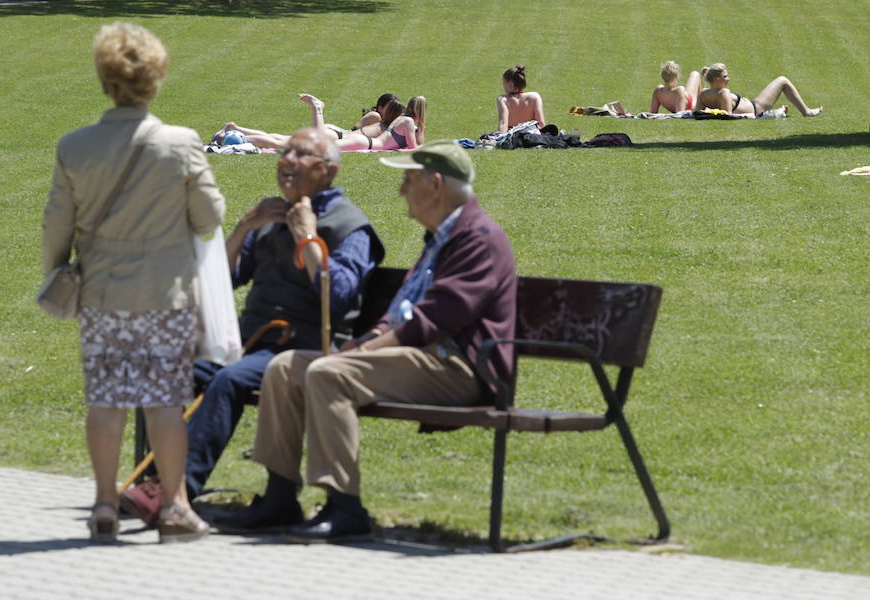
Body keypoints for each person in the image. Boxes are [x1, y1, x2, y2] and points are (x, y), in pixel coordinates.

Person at [214, 140, 517, 541]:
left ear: (436, 185)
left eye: (409, 181)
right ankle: (279, 497)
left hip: (462, 368)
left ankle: (345, 506)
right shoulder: (443, 236)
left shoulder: (478, 238)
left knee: (329, 373)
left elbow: (430, 322)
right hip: (422, 357)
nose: (401, 191)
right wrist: (368, 340)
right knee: (285, 368)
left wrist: (363, 349)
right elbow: (403, 311)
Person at [119, 127, 386, 528]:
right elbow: (222, 280)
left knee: (229, 380)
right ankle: (155, 484)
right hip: (248, 343)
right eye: (285, 152)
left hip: (304, 347)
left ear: (329, 171)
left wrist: (308, 237)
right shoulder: (271, 216)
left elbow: (340, 295)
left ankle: (172, 492)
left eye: (301, 154)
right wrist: (245, 226)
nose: (287, 161)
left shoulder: (350, 225)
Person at [42, 22, 226, 544]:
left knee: (106, 400)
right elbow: (209, 217)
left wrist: (56, 275)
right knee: (164, 402)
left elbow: (56, 225)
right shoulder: (180, 144)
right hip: (166, 297)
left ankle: (104, 504)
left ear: (105, 79)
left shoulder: (75, 146)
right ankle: (175, 508)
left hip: (101, 293)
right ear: (156, 78)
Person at [216, 93, 399, 148]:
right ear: (381, 107)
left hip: (335, 132)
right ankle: (234, 140)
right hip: (336, 135)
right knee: (282, 144)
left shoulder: (376, 117)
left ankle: (236, 129)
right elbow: (354, 131)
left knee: (282, 138)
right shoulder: (376, 117)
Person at [304, 93, 426, 151]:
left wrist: (420, 127)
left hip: (362, 140)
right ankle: (317, 108)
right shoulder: (408, 122)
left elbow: (416, 142)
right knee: (319, 147)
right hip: (364, 142)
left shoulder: (402, 120)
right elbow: (413, 147)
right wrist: (422, 126)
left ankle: (317, 108)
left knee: (315, 147)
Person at [695, 63, 822, 117]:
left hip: (752, 105)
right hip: (757, 107)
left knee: (782, 81)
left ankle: (780, 111)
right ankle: (806, 112)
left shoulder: (703, 94)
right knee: (783, 80)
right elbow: (727, 115)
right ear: (716, 79)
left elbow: (696, 113)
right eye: (725, 76)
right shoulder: (724, 92)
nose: (728, 79)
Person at [496, 65, 545, 132]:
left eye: (504, 83)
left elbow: (503, 123)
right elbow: (541, 122)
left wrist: (500, 136)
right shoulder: (535, 96)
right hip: (531, 135)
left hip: (513, 136)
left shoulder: (503, 99)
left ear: (510, 84)